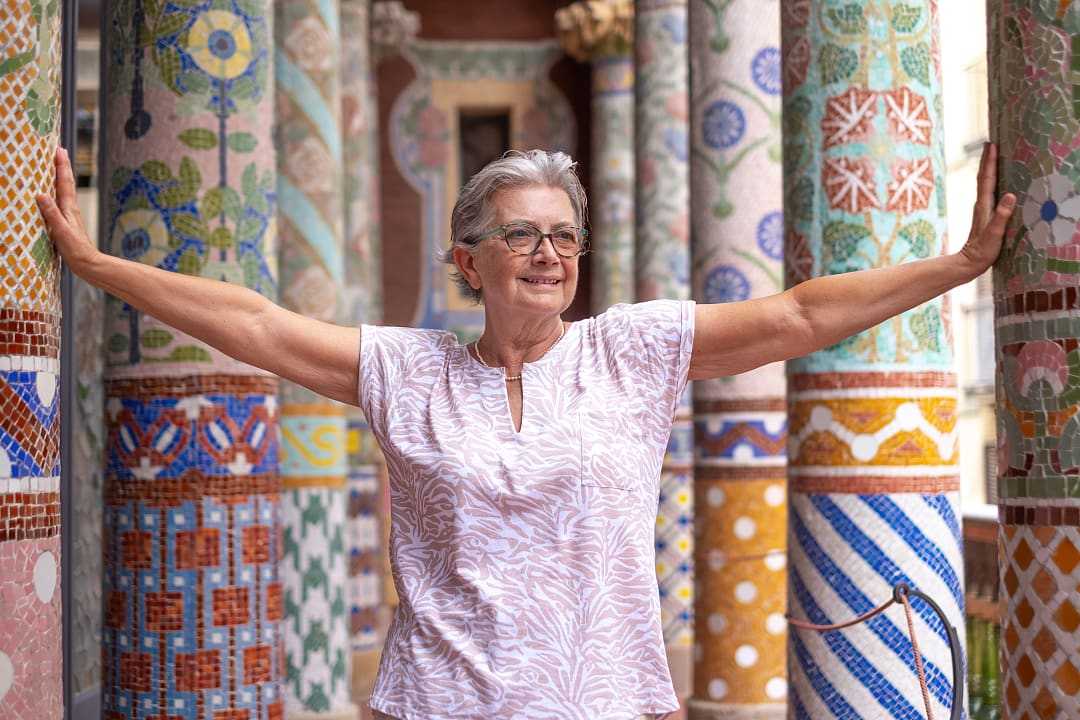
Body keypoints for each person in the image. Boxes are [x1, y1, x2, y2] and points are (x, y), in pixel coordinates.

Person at [38, 144, 1014, 720]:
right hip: (438, 703)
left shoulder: (628, 351)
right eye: (521, 234)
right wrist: (94, 266)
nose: (547, 253)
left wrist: (961, 262)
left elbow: (797, 316)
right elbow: (254, 322)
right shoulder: (406, 370)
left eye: (563, 235)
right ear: (469, 259)